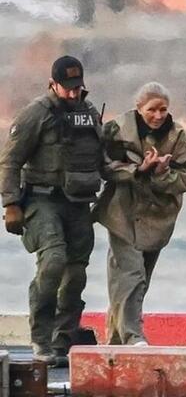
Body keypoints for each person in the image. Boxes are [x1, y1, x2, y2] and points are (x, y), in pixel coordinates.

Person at [0, 56, 102, 364]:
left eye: (77, 87)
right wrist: (10, 203)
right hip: (42, 200)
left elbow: (102, 155)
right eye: (67, 88)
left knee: (76, 273)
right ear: (53, 84)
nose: (73, 93)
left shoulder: (88, 113)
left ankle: (62, 340)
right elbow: (10, 161)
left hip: (78, 202)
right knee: (53, 261)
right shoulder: (36, 114)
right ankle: (41, 339)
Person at [94, 82, 186, 346]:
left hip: (157, 218)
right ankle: (133, 336)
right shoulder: (117, 130)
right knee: (130, 275)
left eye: (163, 109)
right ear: (139, 108)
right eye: (152, 109)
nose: (158, 115)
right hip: (122, 214)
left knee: (139, 279)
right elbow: (103, 166)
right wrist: (138, 169)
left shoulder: (176, 136)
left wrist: (162, 173)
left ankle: (116, 341)